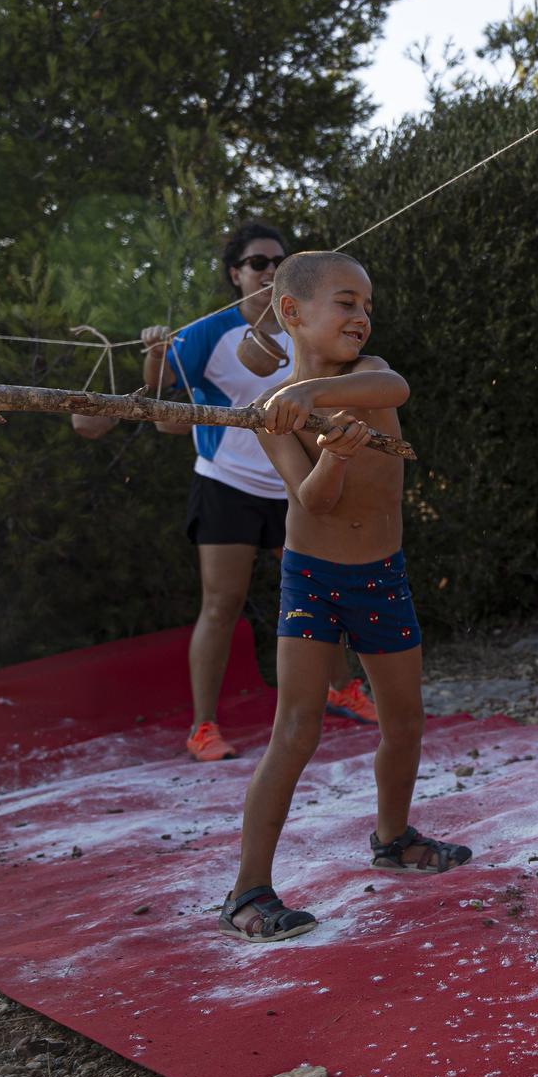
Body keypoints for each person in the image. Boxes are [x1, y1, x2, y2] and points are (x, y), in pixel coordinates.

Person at [218, 250, 469, 942]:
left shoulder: (366, 378)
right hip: (312, 577)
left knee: (405, 720)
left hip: (381, 575)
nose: (360, 316)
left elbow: (398, 387)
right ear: (292, 312)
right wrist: (335, 452)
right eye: (345, 302)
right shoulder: (272, 414)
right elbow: (313, 498)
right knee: (295, 728)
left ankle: (392, 837)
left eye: (366, 305)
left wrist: (313, 399)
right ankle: (248, 891)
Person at [138, 222, 311, 762]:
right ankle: (203, 727)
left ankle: (339, 690)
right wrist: (154, 350)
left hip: (293, 485)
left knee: (318, 594)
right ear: (236, 274)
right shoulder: (209, 332)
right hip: (226, 483)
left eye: (279, 262)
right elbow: (160, 397)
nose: (269, 271)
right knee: (221, 605)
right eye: (258, 263)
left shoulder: (303, 326)